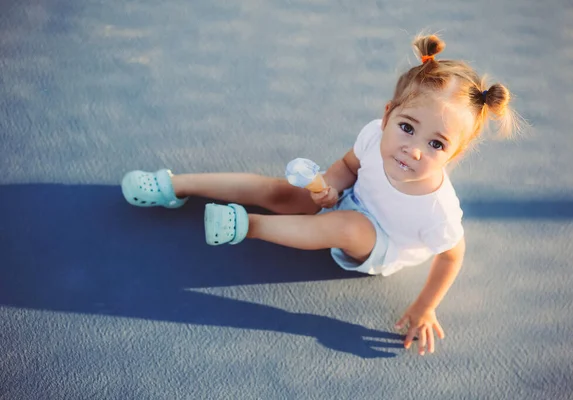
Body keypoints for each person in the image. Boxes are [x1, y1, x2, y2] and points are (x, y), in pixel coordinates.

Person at [120, 34, 519, 356]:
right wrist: (329, 185)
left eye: (436, 144)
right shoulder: (373, 136)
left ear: (455, 154)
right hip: (350, 199)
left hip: (380, 245)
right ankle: (176, 185)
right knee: (281, 190)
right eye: (408, 128)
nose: (413, 149)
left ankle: (247, 225)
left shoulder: (438, 210)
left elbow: (451, 256)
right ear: (387, 116)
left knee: (345, 225)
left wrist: (425, 305)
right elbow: (347, 166)